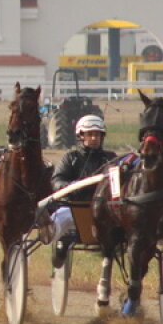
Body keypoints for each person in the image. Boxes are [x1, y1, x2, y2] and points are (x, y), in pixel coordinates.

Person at [49, 114, 114, 269]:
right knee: (58, 219)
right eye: (90, 134)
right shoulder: (70, 158)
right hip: (73, 207)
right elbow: (57, 181)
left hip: (103, 210)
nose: (94, 138)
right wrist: (72, 186)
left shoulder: (110, 159)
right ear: (81, 136)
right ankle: (58, 240)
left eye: (97, 135)